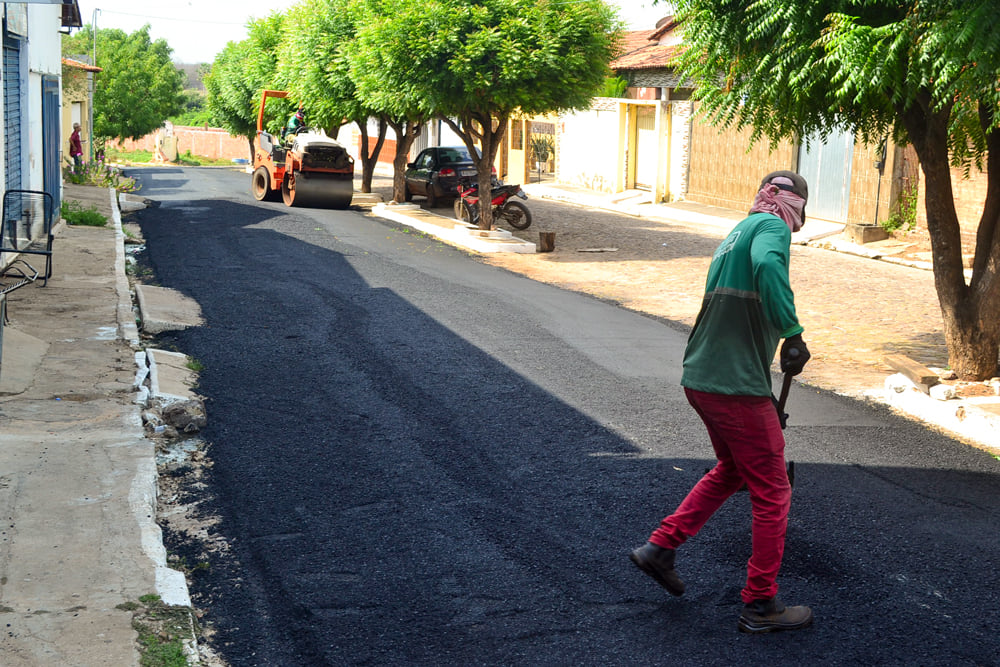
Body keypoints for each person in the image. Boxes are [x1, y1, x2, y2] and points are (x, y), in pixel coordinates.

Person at [629, 170, 813, 634]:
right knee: (773, 490)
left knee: (733, 469)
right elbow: (769, 267)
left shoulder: (735, 232)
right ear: (794, 207)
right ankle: (760, 604)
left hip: (703, 376)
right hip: (733, 384)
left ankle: (661, 548)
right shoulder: (772, 228)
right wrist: (792, 332)